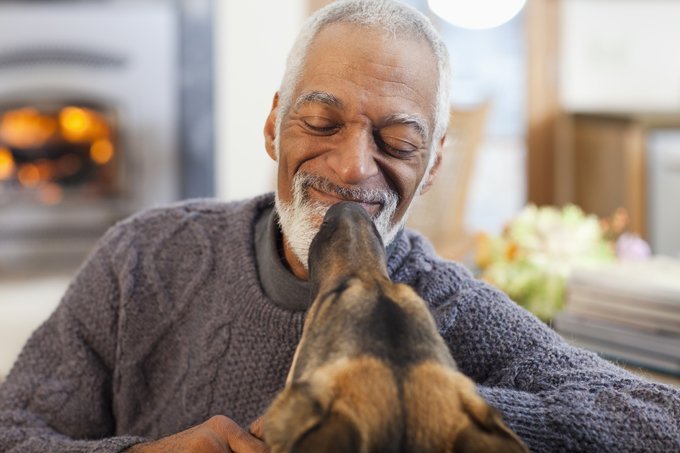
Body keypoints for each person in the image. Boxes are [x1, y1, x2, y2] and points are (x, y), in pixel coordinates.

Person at [1, 1, 679, 451]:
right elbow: (15, 425)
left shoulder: (445, 303)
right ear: (274, 125)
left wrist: (421, 403)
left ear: (435, 161)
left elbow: (660, 418)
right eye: (321, 122)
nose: (354, 166)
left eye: (397, 141)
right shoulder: (143, 254)